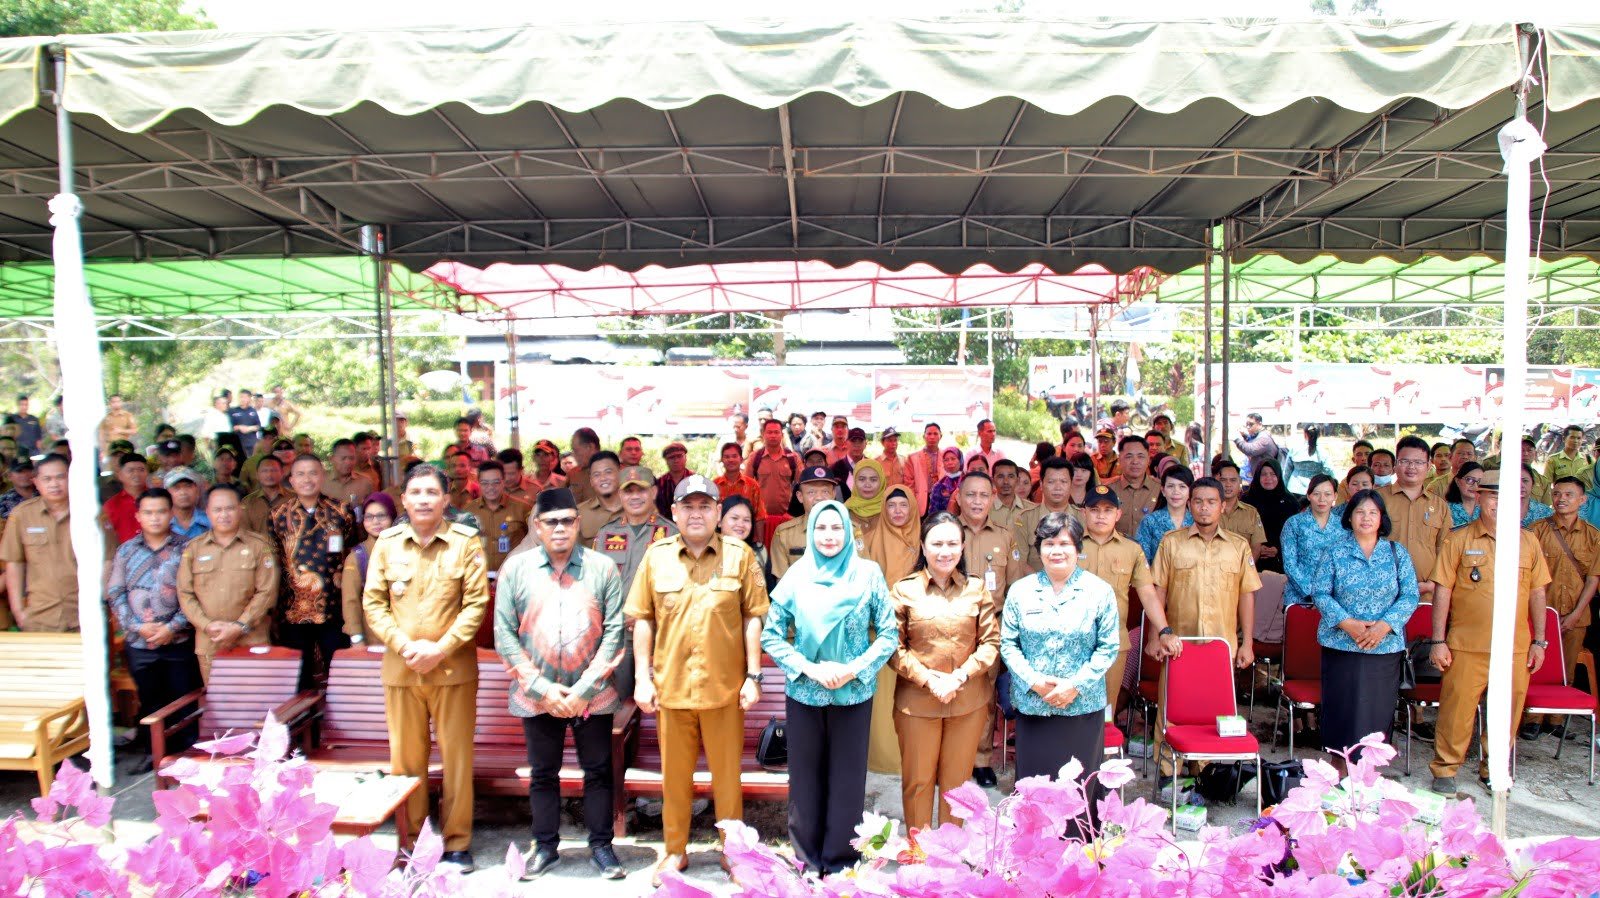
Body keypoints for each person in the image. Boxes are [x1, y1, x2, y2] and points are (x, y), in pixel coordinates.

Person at [625, 475, 769, 888]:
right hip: (672, 690)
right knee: (674, 777)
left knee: (727, 778)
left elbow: (752, 618)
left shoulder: (739, 555)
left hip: (725, 690)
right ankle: (675, 850)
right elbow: (643, 620)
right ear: (674, 512)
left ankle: (733, 852)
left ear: (718, 512)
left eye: (705, 506)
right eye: (688, 506)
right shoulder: (657, 557)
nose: (696, 514)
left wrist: (753, 676)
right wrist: (642, 678)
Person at [493, 487, 627, 880]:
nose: (560, 528)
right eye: (551, 522)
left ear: (578, 523)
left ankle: (602, 847)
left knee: (599, 771)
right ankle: (545, 848)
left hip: (593, 693)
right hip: (537, 694)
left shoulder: (603, 568)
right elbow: (504, 634)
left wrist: (583, 689)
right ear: (537, 525)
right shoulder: (516, 569)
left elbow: (615, 631)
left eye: (567, 520)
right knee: (543, 773)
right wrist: (541, 688)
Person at [362, 464, 488, 872]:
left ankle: (456, 843)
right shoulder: (387, 544)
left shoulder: (465, 543)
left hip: (453, 672)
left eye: (432, 492)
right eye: (415, 492)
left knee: (457, 759)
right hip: (402, 672)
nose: (423, 500)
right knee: (406, 762)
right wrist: (404, 646)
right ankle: (412, 842)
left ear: (446, 500)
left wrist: (441, 648)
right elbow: (373, 603)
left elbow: (476, 605)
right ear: (403, 499)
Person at [762, 501, 895, 874]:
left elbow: (888, 634)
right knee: (805, 780)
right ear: (811, 532)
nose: (829, 536)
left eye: (837, 528)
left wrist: (853, 669)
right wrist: (808, 668)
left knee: (847, 781)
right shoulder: (796, 576)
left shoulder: (868, 574)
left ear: (848, 532)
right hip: (805, 693)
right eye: (821, 528)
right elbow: (771, 635)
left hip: (853, 695)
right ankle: (806, 860)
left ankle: (840, 863)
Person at [1427, 468, 1552, 794]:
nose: (1499, 503)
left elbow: (1538, 592)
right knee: (1456, 711)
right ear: (1479, 496)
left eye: (1506, 497)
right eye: (1493, 496)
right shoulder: (1459, 539)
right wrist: (1438, 640)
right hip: (1466, 645)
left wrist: (1540, 641)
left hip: (1514, 647)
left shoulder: (1528, 541)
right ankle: (1445, 769)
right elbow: (1442, 591)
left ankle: (1493, 769)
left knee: (1507, 713)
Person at [1146, 476, 1261, 780]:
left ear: (1223, 506)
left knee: (1213, 709)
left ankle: (1204, 771)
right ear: (1189, 505)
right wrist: (1155, 636)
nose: (1204, 508)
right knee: (1171, 706)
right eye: (1198, 501)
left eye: (1211, 502)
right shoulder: (1172, 542)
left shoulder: (1238, 546)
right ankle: (1169, 772)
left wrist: (1247, 643)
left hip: (1220, 644)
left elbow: (1246, 595)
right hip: (1177, 642)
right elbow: (1158, 591)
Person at [889, 512, 997, 832]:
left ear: (963, 547)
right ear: (923, 547)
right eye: (937, 544)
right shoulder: (904, 590)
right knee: (918, 781)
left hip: (967, 702)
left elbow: (991, 643)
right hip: (917, 703)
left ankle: (950, 851)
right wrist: (928, 679)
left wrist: (959, 677)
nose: (945, 551)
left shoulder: (976, 589)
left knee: (957, 784)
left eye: (952, 543)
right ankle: (919, 851)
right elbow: (892, 647)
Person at [1001, 512, 1119, 801]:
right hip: (1034, 706)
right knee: (1035, 793)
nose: (1057, 551)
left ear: (1078, 548)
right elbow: (1008, 645)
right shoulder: (1021, 591)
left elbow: (1108, 647)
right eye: (1049, 543)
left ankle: (1080, 834)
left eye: (1065, 544)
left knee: (1078, 794)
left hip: (1081, 707)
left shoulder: (1099, 591)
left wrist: (1074, 685)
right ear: (1039, 549)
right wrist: (1034, 682)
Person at [1308, 489, 1419, 771]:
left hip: (1384, 647)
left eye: (1372, 512)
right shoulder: (1335, 551)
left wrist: (1384, 626)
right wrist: (1347, 623)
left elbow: (1410, 595)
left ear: (1382, 518)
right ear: (1349, 517)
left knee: (1376, 710)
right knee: (1342, 708)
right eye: (1360, 512)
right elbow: (1320, 592)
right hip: (1342, 644)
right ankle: (1339, 768)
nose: (1366, 518)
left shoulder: (1396, 552)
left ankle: (1369, 772)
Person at [108, 487, 198, 770]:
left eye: (161, 511)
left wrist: (173, 626)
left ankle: (187, 755)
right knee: (149, 701)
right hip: (140, 643)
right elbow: (116, 592)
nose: (155, 517)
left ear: (171, 513)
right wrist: (136, 626)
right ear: (138, 516)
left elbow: (195, 593)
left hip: (178, 640)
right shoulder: (126, 550)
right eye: (148, 512)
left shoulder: (188, 548)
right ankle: (154, 754)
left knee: (183, 698)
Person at [954, 470, 1026, 787]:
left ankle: (981, 759)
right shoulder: (945, 530)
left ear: (992, 498)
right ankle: (951, 757)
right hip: (951, 625)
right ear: (959, 497)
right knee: (950, 692)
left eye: (984, 495)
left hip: (990, 626)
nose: (977, 501)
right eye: (971, 494)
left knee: (984, 694)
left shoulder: (1004, 536)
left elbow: (1015, 586)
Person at [270, 454, 359, 689]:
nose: (307, 479)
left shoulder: (341, 511)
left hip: (333, 606)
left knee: (339, 673)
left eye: (313, 473)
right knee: (298, 677)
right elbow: (273, 559)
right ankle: (303, 713)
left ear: (322, 476)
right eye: (300, 474)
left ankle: (337, 712)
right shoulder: (278, 515)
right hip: (293, 608)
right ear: (291, 480)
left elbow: (352, 550)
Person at [176, 483, 279, 683]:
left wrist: (240, 626)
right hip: (211, 641)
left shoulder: (259, 546)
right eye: (217, 509)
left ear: (240, 509)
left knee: (256, 697)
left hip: (251, 639)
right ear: (207, 512)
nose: (224, 515)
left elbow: (267, 591)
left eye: (229, 508)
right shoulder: (194, 548)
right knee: (219, 699)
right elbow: (185, 593)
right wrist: (207, 625)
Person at [1524, 476, 1600, 740]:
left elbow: (1593, 579)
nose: (1561, 499)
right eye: (1556, 494)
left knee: (1567, 668)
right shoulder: (1536, 530)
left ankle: (1556, 720)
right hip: (1539, 613)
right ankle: (1532, 719)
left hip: (1576, 615)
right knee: (1535, 664)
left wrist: (1577, 613)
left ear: (1582, 500)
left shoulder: (1593, 535)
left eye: (1569, 494)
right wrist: (1539, 614)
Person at [1077, 486, 1157, 714]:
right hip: (1074, 640)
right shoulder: (1069, 545)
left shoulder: (1132, 549)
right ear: (1083, 512)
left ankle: (1104, 739)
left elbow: (1148, 593)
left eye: (1108, 510)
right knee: (1073, 708)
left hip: (1113, 641)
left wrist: (1163, 629)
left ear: (1118, 514)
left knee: (1106, 710)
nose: (1101, 515)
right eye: (1094, 509)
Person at [861, 484, 919, 776]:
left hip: (919, 629)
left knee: (915, 695)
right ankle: (883, 758)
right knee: (883, 699)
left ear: (913, 508)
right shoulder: (870, 539)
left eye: (903, 505)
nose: (897, 511)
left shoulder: (924, 539)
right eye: (891, 505)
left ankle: (917, 757)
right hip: (881, 629)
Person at [1, 454, 76, 631]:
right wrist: (18, 610)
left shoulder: (90, 512)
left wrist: (100, 602)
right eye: (47, 479)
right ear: (36, 482)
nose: (54, 484)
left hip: (84, 614)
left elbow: (107, 561)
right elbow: (14, 564)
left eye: (60, 477)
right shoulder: (22, 515)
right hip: (40, 616)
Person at [770, 466, 856, 580]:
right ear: (800, 497)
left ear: (834, 494)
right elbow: (782, 582)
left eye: (825, 491)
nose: (819, 498)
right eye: (811, 492)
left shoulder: (851, 530)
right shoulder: (784, 534)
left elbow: (860, 576)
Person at [341, 492, 396, 646]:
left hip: (406, 636)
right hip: (372, 637)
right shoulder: (358, 556)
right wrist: (356, 637)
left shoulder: (406, 548)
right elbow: (351, 600)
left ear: (392, 517)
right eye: (369, 517)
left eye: (381, 516)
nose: (375, 521)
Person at [1280, 474, 1343, 606]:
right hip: (1300, 598)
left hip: (1334, 600)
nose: (1322, 499)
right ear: (1308, 495)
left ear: (1335, 496)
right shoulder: (1294, 523)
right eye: (1316, 494)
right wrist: (1312, 594)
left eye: (1327, 494)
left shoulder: (1343, 526)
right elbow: (1290, 564)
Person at [463, 460, 531, 578]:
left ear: (503, 481)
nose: (491, 487)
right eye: (485, 483)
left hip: (514, 576)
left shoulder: (522, 508)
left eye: (496, 482)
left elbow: (534, 539)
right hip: (479, 577)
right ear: (478, 483)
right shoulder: (468, 511)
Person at [1014, 456, 1078, 571]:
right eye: (1051, 482)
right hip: (1034, 581)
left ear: (1071, 484)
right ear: (1041, 484)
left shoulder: (1083, 518)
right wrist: (1043, 581)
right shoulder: (1025, 518)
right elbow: (1020, 562)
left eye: (1063, 481)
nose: (1057, 487)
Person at [1243, 459, 1299, 575]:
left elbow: (1295, 533)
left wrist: (1278, 548)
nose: (1268, 478)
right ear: (1257, 476)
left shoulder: (1290, 502)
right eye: (1263, 474)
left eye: (1273, 474)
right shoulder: (1246, 501)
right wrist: (1256, 548)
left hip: (1281, 562)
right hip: (1250, 560)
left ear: (1279, 475)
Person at [747, 418, 801, 535]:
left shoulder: (793, 458)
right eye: (769, 432)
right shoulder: (755, 457)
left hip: (787, 519)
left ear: (782, 435)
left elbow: (802, 487)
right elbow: (747, 486)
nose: (773, 435)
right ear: (763, 434)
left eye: (776, 432)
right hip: (760, 520)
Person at [1136, 465, 1193, 563]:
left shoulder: (1196, 521)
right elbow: (1141, 561)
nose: (1176, 491)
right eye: (1170, 486)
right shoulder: (1150, 522)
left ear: (1190, 491)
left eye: (1182, 486)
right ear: (1163, 491)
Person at [1215, 459, 1267, 560]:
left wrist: (1245, 568)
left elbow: (1256, 548)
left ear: (1240, 482)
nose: (1228, 484)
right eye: (1223, 480)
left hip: (1244, 567)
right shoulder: (1207, 512)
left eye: (1233, 480)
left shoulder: (1251, 513)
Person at [718, 495, 771, 589]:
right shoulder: (706, 552)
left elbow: (770, 592)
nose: (741, 524)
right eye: (734, 518)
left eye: (746, 520)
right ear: (719, 522)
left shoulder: (760, 552)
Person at [101, 453, 150, 548]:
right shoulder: (111, 505)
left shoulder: (159, 499)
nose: (136, 474)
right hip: (123, 554)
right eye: (130, 470)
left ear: (147, 473)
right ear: (120, 475)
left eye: (141, 470)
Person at [577, 451, 624, 545]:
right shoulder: (579, 513)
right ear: (591, 481)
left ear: (620, 473)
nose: (603, 478)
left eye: (608, 472)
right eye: (596, 474)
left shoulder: (637, 508)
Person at [713, 442, 763, 525]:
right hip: (720, 531)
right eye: (727, 457)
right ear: (722, 460)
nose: (731, 460)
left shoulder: (752, 485)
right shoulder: (714, 485)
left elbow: (760, 516)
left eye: (734, 456)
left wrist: (759, 534)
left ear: (741, 459)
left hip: (746, 531)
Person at [242, 454, 290, 535]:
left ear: (282, 473)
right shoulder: (247, 502)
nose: (269, 474)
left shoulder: (294, 498)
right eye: (264, 471)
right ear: (257, 474)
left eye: (274, 470)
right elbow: (244, 533)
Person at [904, 423, 945, 515]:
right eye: (929, 434)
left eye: (935, 434)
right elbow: (909, 484)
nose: (932, 437)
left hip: (941, 500)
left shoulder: (946, 456)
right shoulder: (912, 458)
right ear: (924, 436)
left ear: (940, 436)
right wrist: (913, 502)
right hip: (921, 502)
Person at [988, 459, 1036, 533]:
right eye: (1000, 476)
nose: (1006, 482)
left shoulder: (1032, 510)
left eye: (1011, 476)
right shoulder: (985, 509)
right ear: (993, 480)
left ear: (1017, 480)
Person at [1285, 425, 1334, 495]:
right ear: (1319, 435)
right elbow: (1329, 471)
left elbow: (1287, 472)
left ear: (1305, 434)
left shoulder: (1294, 450)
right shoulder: (1323, 452)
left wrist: (1284, 489)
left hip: (1294, 489)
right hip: (1315, 490)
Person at [1232, 413, 1279, 485]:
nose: (1248, 427)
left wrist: (1236, 439)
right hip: (1259, 476)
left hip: (1265, 478)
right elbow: (1251, 442)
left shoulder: (1264, 438)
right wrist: (1245, 436)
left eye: (1251, 424)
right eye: (1247, 424)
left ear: (1259, 424)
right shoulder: (1258, 436)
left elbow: (1250, 450)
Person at [844, 458, 886, 531]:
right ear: (855, 481)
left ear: (882, 482)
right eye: (862, 479)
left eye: (873, 480)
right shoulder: (844, 511)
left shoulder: (891, 510)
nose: (867, 485)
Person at [1546, 425, 1593, 489]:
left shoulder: (1588, 459)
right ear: (1564, 439)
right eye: (1572, 437)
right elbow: (1546, 485)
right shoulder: (1553, 460)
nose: (1576, 441)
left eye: (1579, 438)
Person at [656, 442, 693, 518]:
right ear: (666, 461)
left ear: (685, 458)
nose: (676, 460)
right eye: (671, 457)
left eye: (679, 456)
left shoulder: (697, 480)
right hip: (666, 523)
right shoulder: (660, 483)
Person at [99, 395, 139, 462]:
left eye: (118, 401)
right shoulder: (106, 418)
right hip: (110, 449)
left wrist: (121, 431)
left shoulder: (127, 416)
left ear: (121, 402)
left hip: (123, 447)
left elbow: (134, 431)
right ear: (110, 404)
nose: (116, 404)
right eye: (114, 402)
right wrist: (102, 451)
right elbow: (101, 436)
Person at [1446, 461, 1486, 528]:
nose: (1475, 486)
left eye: (1480, 481)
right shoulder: (1445, 509)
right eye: (1469, 480)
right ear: (1457, 481)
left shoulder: (1486, 509)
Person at [926, 447, 963, 518]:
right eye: (946, 460)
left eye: (953, 459)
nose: (950, 462)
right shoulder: (939, 486)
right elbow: (933, 513)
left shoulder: (967, 482)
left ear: (960, 460)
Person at [876, 426, 912, 496]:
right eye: (890, 440)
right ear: (882, 442)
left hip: (900, 498)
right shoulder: (876, 462)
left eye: (895, 440)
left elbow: (908, 483)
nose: (893, 443)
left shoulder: (904, 460)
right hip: (882, 500)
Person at [1518, 464, 1554, 528]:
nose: (1521, 485)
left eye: (1525, 481)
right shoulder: (1499, 510)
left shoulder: (1545, 513)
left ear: (1533, 484)